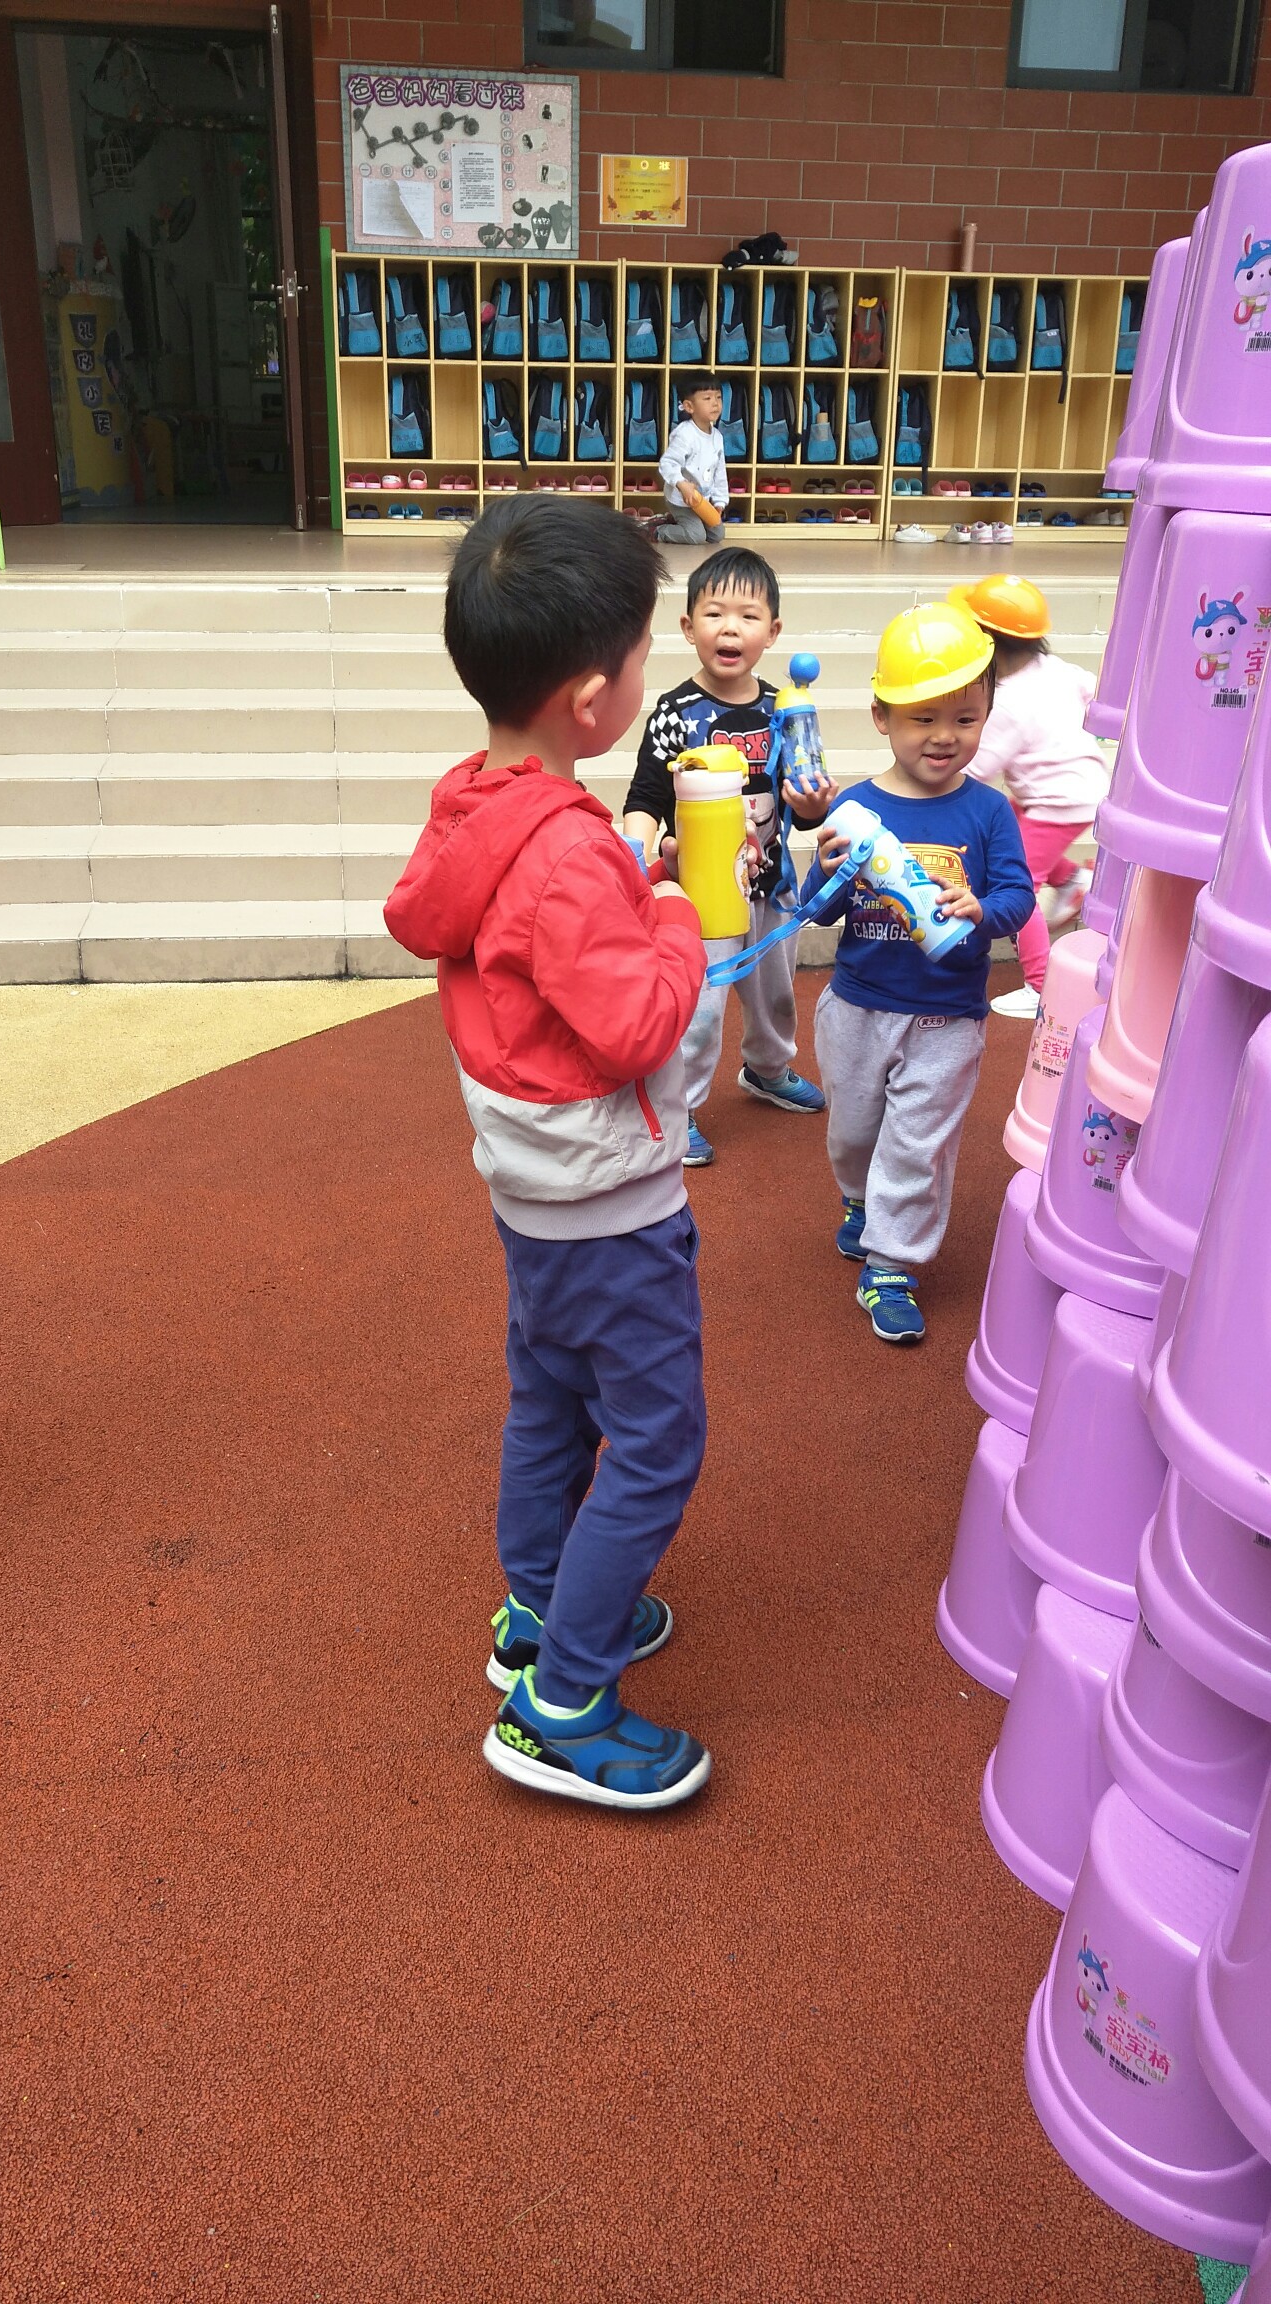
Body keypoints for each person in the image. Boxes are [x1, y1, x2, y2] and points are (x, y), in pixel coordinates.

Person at [384, 496, 712, 1813]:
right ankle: (564, 1704)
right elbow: (635, 1021)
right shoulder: (569, 851)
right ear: (591, 699)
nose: (649, 670)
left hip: (531, 1192)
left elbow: (531, 941)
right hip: (610, 1202)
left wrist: (619, 877)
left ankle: (536, 1611)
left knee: (553, 1404)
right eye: (641, 654)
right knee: (656, 1440)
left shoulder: (477, 804)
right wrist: (676, 911)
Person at [805, 601, 1036, 1345]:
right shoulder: (855, 805)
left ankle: (892, 1266)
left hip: (947, 1016)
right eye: (923, 718)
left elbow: (1019, 897)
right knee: (853, 1135)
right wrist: (826, 870)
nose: (944, 736)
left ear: (988, 716)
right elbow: (817, 912)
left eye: (966, 719)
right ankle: (859, 1200)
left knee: (915, 1145)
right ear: (881, 716)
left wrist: (982, 908)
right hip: (856, 1006)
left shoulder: (989, 812)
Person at [622, 546, 835, 1167]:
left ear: (774, 631)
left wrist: (814, 806)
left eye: (748, 616)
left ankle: (767, 1070)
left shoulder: (783, 710)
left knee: (775, 995)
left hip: (771, 883)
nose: (730, 629)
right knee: (699, 1007)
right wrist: (636, 850)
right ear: (688, 627)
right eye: (714, 614)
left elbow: (804, 802)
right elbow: (646, 796)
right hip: (703, 895)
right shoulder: (674, 712)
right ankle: (680, 1106)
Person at [951, 574, 1110, 1022]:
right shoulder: (1056, 670)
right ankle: (1072, 880)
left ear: (987, 644)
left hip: (1056, 799)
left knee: (1017, 882)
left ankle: (1040, 986)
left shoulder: (1005, 705)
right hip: (1079, 786)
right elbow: (1095, 690)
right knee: (1013, 831)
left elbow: (974, 768)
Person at [656, 371, 728, 546]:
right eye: (707, 398)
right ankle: (659, 530)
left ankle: (678, 522)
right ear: (689, 406)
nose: (715, 403)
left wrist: (720, 501)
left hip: (701, 500)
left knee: (717, 535)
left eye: (718, 397)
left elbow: (720, 473)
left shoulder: (717, 437)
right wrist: (682, 485)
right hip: (681, 500)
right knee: (696, 536)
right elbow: (667, 464)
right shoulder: (685, 434)